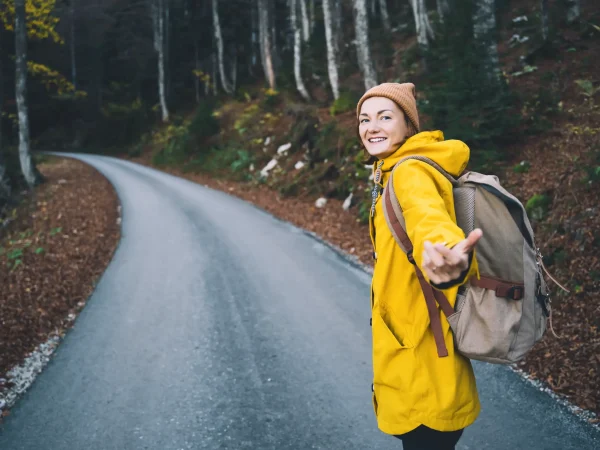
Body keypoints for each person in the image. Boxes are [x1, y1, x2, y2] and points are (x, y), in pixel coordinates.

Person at [356, 82, 483, 449]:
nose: (372, 126)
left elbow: (428, 219)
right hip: (417, 349)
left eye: (385, 116)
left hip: (423, 358)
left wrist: (448, 258)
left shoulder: (409, 173)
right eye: (365, 119)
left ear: (408, 126)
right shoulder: (391, 170)